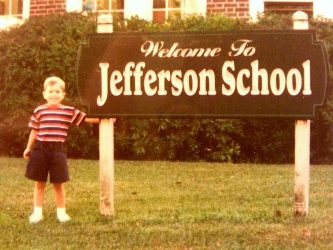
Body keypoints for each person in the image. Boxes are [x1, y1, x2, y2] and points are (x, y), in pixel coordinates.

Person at [23, 76, 100, 224]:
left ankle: (61, 213)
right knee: (39, 183)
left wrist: (105, 118)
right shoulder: (39, 111)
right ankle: (37, 212)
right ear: (44, 94)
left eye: (57, 91)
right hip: (40, 149)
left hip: (58, 150)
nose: (54, 94)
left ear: (63, 95)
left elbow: (86, 119)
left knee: (59, 183)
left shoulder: (68, 111)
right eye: (50, 91)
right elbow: (34, 131)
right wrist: (28, 148)